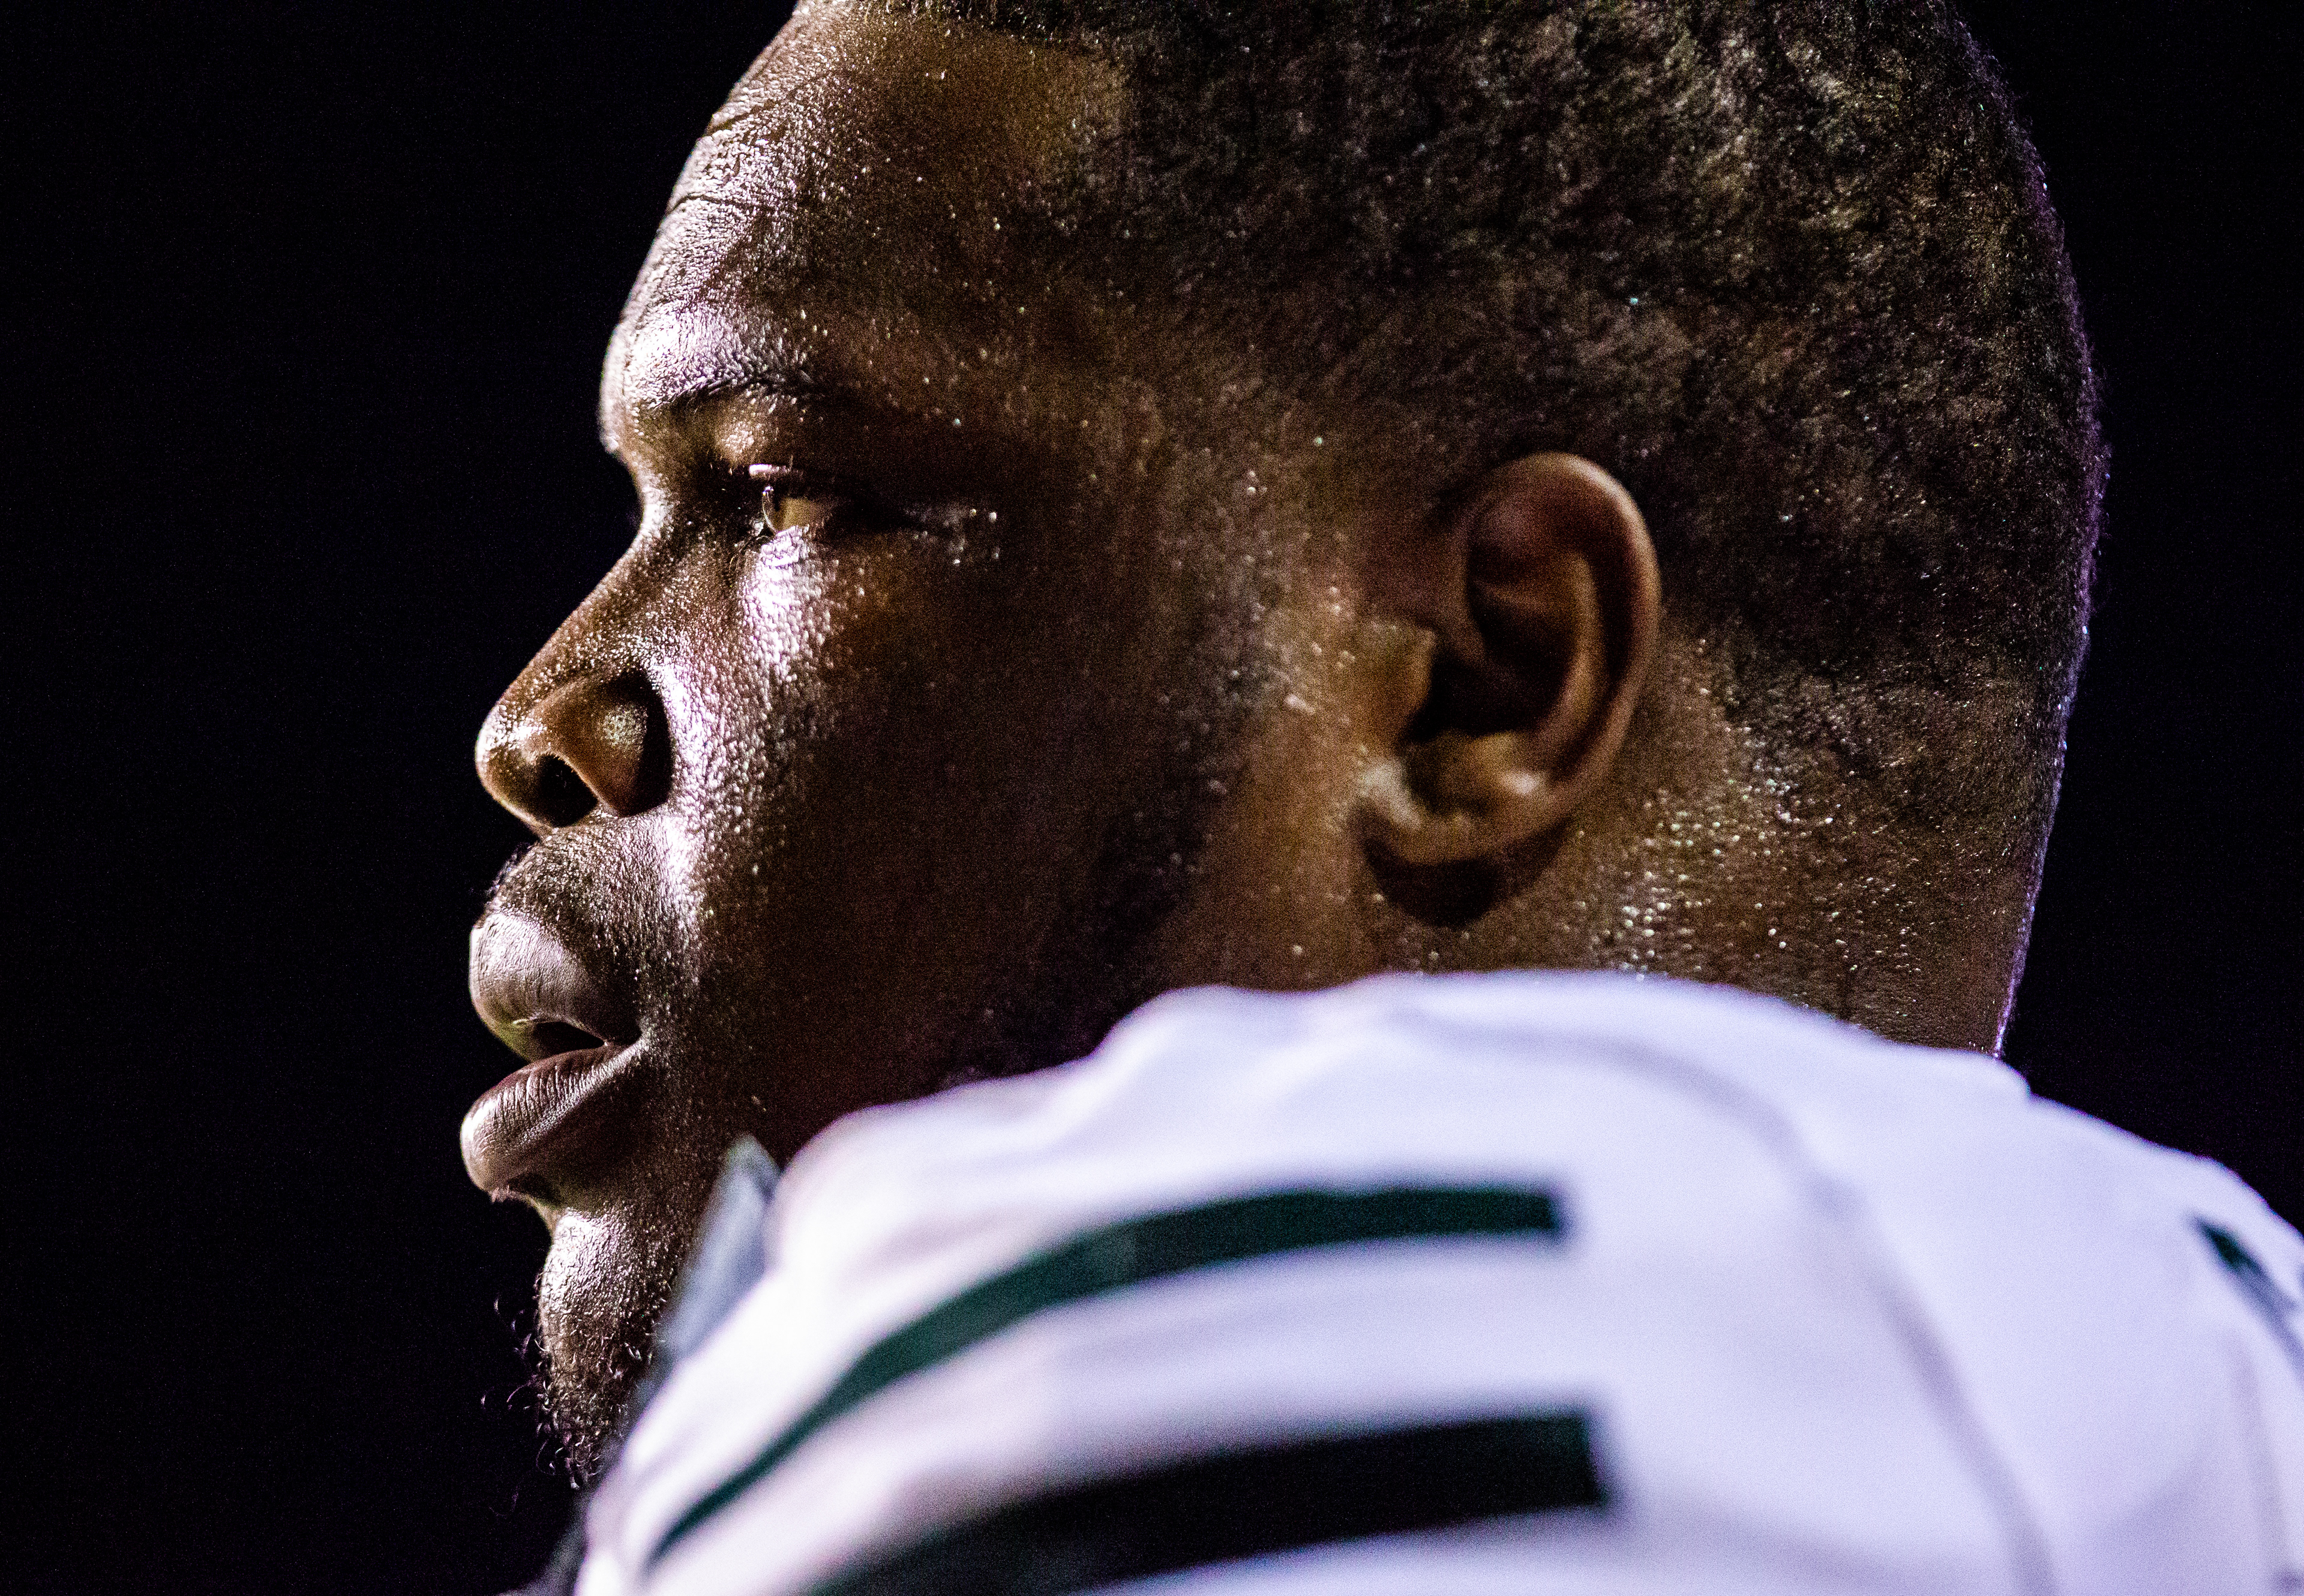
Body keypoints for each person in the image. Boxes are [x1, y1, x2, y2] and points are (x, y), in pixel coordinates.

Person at [458, 2, 2302, 1591]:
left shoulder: (1132, 1362)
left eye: (786, 490)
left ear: (1485, 679)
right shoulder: (2151, 1371)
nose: (537, 719)